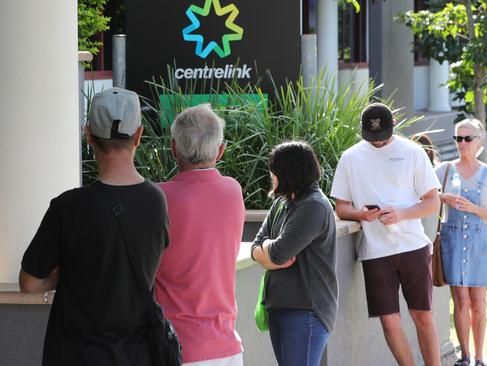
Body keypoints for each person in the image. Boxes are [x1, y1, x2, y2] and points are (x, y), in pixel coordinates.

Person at [19, 87, 169, 365]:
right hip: (135, 355)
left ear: (88, 136)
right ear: (138, 135)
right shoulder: (156, 201)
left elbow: (28, 283)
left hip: (74, 354)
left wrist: (63, 275)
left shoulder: (67, 207)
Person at [331, 102, 442, 366]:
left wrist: (401, 213)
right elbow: (341, 207)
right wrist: (362, 215)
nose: (378, 143)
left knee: (422, 315)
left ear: (393, 128)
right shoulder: (350, 158)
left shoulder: (413, 152)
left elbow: (432, 202)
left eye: (383, 137)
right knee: (389, 322)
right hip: (375, 252)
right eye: (372, 138)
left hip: (413, 246)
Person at [155, 104, 245, 365]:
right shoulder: (232, 191)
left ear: (173, 148)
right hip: (228, 347)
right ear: (220, 150)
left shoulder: (159, 197)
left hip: (177, 347)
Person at [251, 141, 338, 366]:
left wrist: (269, 253)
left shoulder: (314, 206)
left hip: (306, 312)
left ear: (288, 173)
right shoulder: (282, 202)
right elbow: (255, 247)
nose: (272, 176)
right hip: (279, 308)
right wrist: (269, 252)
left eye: (274, 172)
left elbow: (279, 253)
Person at [435, 119, 487, 366]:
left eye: (467, 138)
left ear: (479, 142)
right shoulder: (444, 170)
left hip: (480, 242)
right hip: (452, 240)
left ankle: (479, 357)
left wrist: (474, 208)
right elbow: (426, 195)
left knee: (478, 302)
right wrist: (444, 197)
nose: (462, 143)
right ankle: (464, 355)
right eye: (458, 138)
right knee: (460, 301)